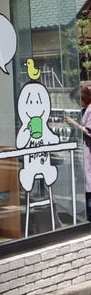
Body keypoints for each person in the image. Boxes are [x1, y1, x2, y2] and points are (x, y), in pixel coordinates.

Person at [67, 84, 91, 220]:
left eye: (78, 100)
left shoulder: (90, 110)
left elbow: (88, 131)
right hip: (80, 151)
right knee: (83, 181)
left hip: (86, 151)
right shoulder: (84, 110)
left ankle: (89, 213)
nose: (77, 103)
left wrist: (74, 124)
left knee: (88, 181)